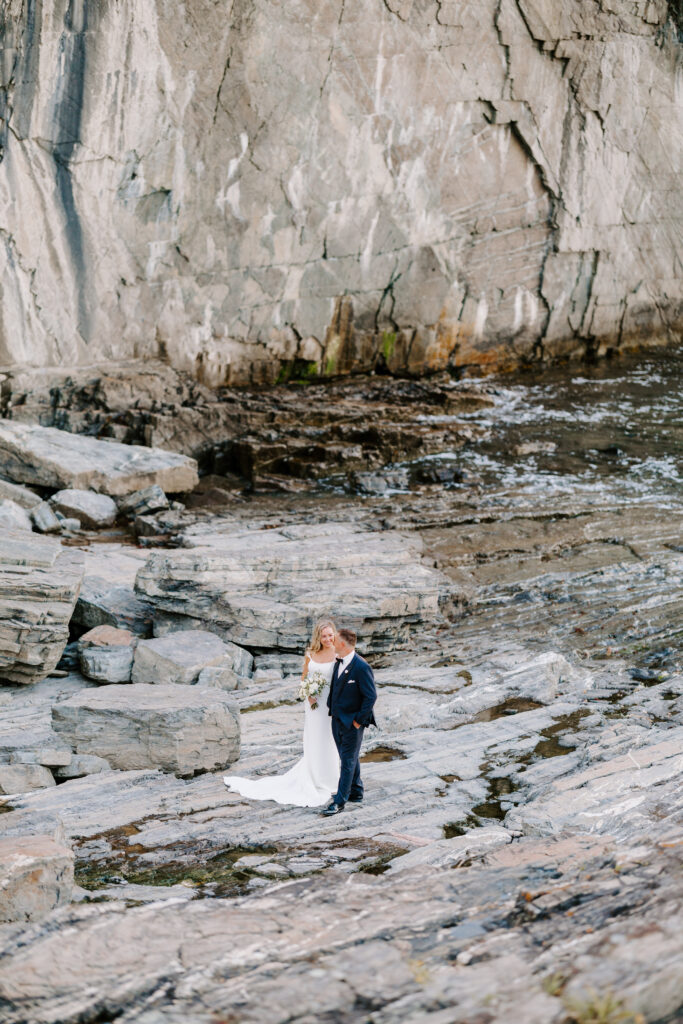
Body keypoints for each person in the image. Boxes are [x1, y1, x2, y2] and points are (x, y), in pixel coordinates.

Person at [223, 619, 340, 807]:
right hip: (313, 705)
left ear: (334, 633)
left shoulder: (339, 653)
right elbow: (304, 677)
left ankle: (331, 779)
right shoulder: (311, 653)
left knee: (331, 738)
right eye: (323, 636)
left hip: (332, 704)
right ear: (318, 637)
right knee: (315, 738)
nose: (327, 638)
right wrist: (308, 694)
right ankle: (315, 776)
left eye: (330, 634)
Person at [322, 627, 377, 817]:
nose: (332, 642)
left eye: (335, 640)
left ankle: (339, 802)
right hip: (337, 719)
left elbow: (370, 697)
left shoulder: (361, 667)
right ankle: (356, 791)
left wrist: (358, 722)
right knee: (349, 757)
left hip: (352, 723)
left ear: (343, 644)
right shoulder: (339, 662)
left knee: (347, 760)